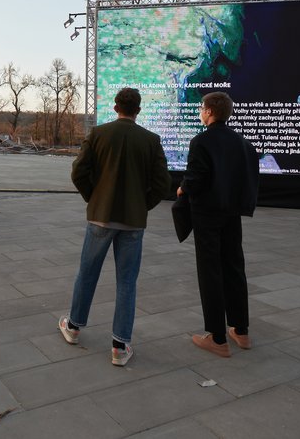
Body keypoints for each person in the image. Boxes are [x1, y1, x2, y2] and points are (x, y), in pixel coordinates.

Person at [59, 87, 171, 366]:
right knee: (127, 281)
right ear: (139, 110)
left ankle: (73, 327)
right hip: (133, 221)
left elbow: (78, 172)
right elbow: (162, 183)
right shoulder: (151, 140)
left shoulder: (99, 134)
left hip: (100, 216)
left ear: (115, 107)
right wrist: (142, 204)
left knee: (87, 273)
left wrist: (93, 198)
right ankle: (120, 346)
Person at [178, 91, 259, 358]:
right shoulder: (242, 142)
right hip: (232, 214)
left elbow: (197, 177)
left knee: (210, 270)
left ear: (210, 112)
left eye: (202, 108)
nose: (200, 112)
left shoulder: (201, 141)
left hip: (207, 214)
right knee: (235, 267)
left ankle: (217, 337)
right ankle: (241, 330)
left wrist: (183, 189)